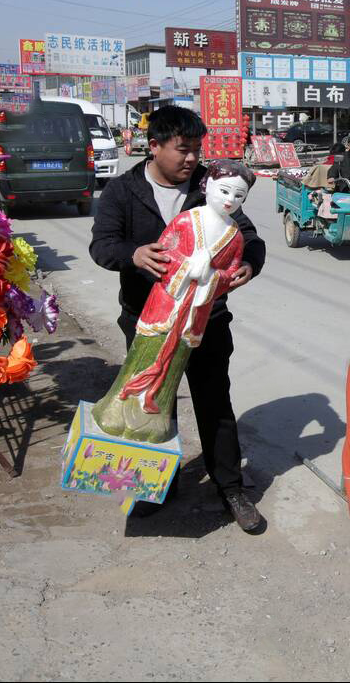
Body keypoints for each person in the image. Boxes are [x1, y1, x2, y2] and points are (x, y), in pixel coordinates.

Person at [89, 107, 267, 533]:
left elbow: (250, 237)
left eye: (196, 150)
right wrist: (133, 255)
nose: (191, 160)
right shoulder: (122, 191)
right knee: (154, 404)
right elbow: (102, 245)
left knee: (215, 403)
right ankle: (155, 484)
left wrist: (250, 265)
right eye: (182, 150)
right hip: (147, 319)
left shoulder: (212, 184)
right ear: (154, 146)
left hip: (208, 321)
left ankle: (231, 488)